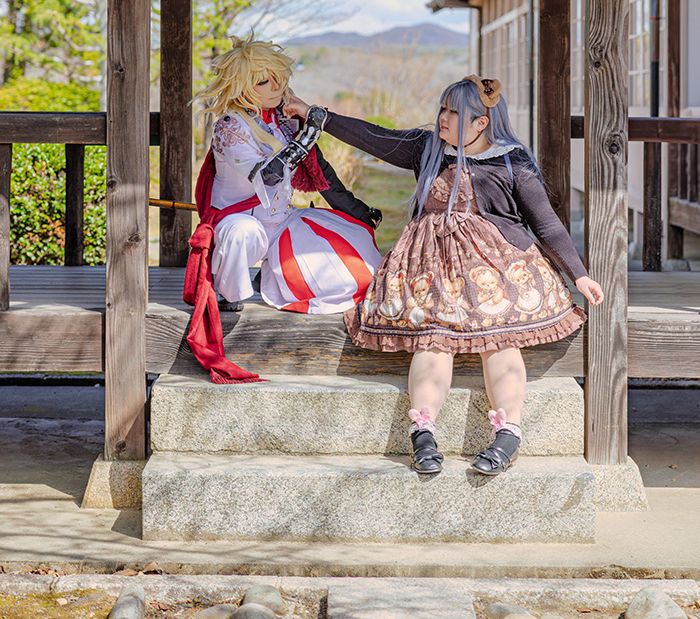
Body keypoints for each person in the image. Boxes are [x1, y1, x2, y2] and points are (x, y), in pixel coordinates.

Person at [284, 76, 604, 476]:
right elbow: (372, 136)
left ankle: (508, 435)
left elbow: (547, 224)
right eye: (443, 108)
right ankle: (423, 433)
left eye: (455, 112)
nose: (443, 118)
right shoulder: (428, 148)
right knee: (432, 341)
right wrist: (315, 114)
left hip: (495, 271)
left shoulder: (511, 161)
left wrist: (579, 275)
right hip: (431, 272)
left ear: (481, 123)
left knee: (500, 340)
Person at [193, 35, 382, 316]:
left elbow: (321, 172)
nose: (276, 86)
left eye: (278, 77)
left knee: (354, 264)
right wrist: (307, 135)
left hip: (282, 222)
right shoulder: (229, 126)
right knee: (242, 233)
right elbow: (267, 176)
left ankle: (270, 277)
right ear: (240, 86)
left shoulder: (284, 120)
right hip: (240, 223)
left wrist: (358, 212)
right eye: (262, 81)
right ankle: (229, 292)